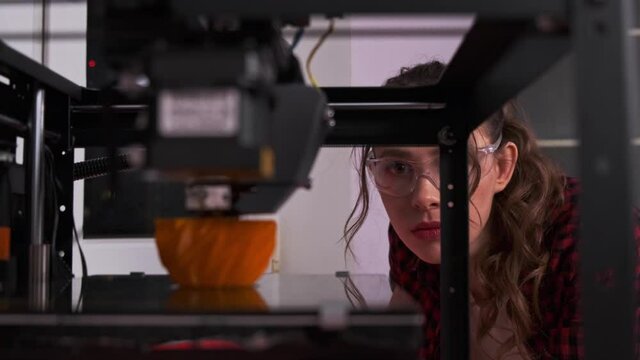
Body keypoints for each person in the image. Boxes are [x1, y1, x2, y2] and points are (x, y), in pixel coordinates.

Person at [343, 61, 639, 359]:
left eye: (455, 161)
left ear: (502, 167)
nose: (424, 196)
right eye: (398, 167)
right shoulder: (422, 235)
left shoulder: (595, 238)